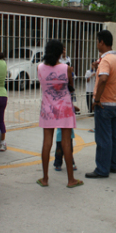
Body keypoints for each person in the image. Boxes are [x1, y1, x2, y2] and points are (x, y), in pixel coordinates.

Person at [85, 30, 116, 179]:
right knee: (113, 137)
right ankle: (113, 165)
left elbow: (103, 79)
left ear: (102, 42)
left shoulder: (105, 60)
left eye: (97, 41)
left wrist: (96, 100)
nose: (97, 44)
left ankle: (102, 169)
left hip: (104, 104)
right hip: (115, 104)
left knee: (103, 138)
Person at [37, 39, 82, 188]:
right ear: (59, 52)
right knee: (66, 143)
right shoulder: (66, 68)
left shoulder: (40, 67)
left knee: (46, 143)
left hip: (47, 109)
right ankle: (71, 180)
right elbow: (71, 87)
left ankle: (44, 179)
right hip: (65, 109)